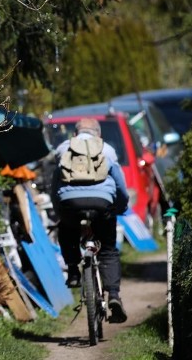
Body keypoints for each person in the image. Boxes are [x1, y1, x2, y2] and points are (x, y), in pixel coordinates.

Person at [52, 117, 130, 324]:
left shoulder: (63, 148)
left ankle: (73, 271)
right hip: (101, 204)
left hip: (71, 204)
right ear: (99, 134)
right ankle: (113, 295)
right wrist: (120, 207)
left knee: (66, 230)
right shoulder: (107, 149)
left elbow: (54, 181)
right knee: (108, 250)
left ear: (75, 134)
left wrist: (59, 208)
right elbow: (120, 185)